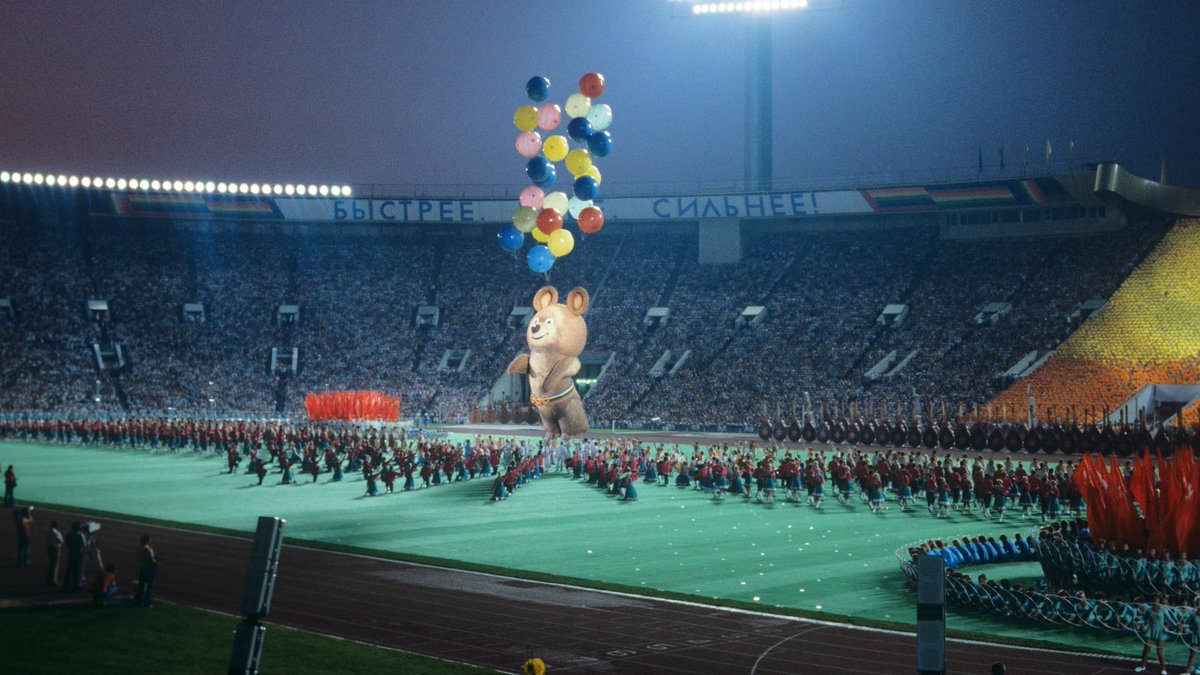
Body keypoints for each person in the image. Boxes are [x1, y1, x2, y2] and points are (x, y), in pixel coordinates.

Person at [1134, 594, 1168, 674]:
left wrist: (1177, 626)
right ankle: (1142, 666)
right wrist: (1138, 623)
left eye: (1157, 599)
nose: (1155, 600)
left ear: (1159, 600)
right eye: (1154, 599)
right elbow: (1144, 619)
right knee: (1146, 649)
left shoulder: (1163, 610)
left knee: (1160, 652)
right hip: (1150, 631)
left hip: (1160, 632)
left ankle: (1163, 669)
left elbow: (1170, 620)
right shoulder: (1149, 610)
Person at [134, 534, 159, 608]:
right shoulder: (149, 549)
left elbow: (139, 557)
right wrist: (157, 563)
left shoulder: (138, 549)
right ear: (147, 541)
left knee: (141, 585)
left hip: (142, 568)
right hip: (149, 569)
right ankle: (147, 603)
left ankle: (139, 601)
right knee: (149, 586)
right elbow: (152, 560)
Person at [63, 522, 87, 592]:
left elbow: (67, 543)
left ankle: (66, 585)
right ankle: (76, 585)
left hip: (71, 552)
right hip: (78, 553)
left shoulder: (68, 534)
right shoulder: (80, 535)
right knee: (77, 569)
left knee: (69, 569)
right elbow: (84, 544)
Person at [1183, 595, 1200, 675]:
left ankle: (1198, 668)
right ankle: (1187, 672)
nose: (1199, 604)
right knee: (1192, 654)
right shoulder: (1193, 614)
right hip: (1195, 636)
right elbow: (1187, 624)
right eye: (1198, 603)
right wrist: (1187, 628)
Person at [46, 519, 63, 586]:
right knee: (54, 565)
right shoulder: (56, 532)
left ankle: (49, 580)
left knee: (51, 564)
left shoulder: (48, 531)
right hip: (55, 549)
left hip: (50, 548)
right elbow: (60, 541)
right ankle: (53, 581)